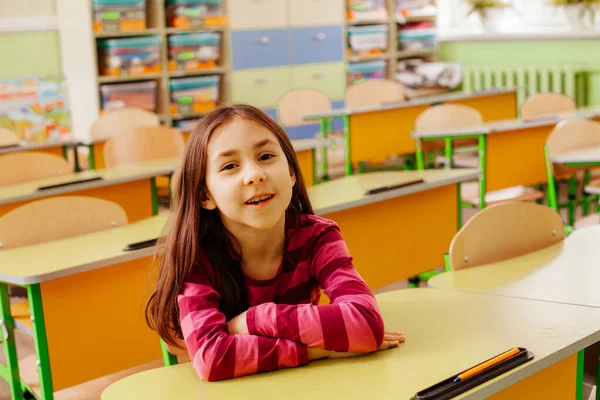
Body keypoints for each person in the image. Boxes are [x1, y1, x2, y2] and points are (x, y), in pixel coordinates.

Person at [146, 104, 405, 381]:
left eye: (266, 156)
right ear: (204, 195)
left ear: (292, 172)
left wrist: (253, 320)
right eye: (230, 166)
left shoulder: (317, 236)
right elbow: (212, 358)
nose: (254, 175)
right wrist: (320, 351)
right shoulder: (197, 258)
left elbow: (366, 325)